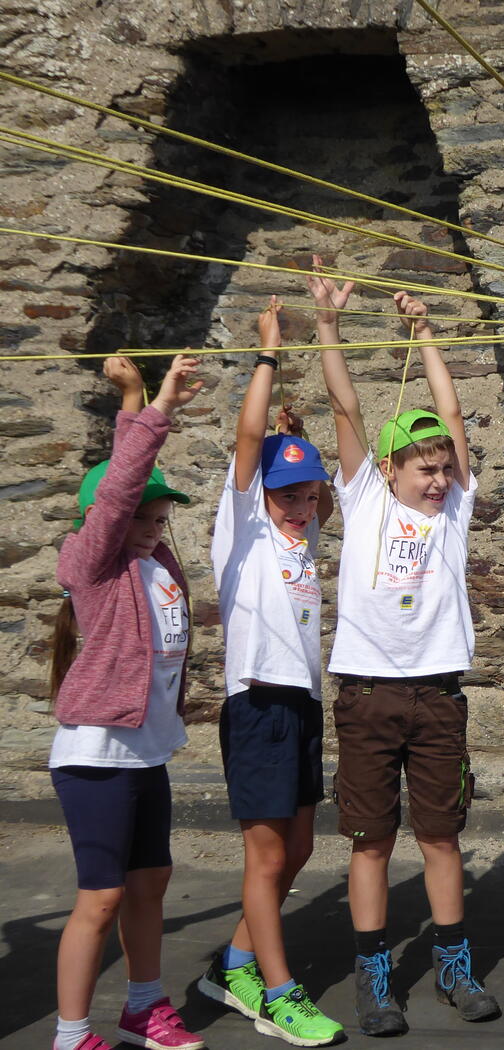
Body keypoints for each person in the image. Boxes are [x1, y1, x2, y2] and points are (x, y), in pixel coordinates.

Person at [312, 261, 498, 1035]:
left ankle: (454, 966)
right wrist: (328, 327)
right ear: (388, 469)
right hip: (366, 695)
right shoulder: (364, 498)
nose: (439, 478)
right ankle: (374, 976)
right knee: (371, 842)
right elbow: (346, 405)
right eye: (425, 468)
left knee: (442, 836)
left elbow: (451, 413)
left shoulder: (452, 515)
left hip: (436, 694)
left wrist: (426, 337)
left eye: (445, 467)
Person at [48, 355, 205, 1050]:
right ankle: (70, 1034)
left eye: (160, 518)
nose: (152, 526)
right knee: (102, 896)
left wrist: (137, 401)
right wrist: (151, 402)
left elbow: (129, 485)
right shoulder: (94, 567)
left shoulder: (156, 565)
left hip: (145, 752)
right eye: (142, 516)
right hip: (96, 752)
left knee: (151, 883)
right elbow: (117, 491)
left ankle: (145, 1007)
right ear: (101, 522)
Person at [197, 298, 343, 1045]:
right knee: (268, 854)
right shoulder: (244, 532)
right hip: (257, 704)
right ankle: (279, 993)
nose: (300, 505)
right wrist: (268, 352)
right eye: (287, 495)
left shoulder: (301, 534)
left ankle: (234, 963)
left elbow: (308, 477)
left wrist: (301, 442)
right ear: (258, 495)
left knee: (303, 847)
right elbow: (250, 440)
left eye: (307, 494)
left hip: (302, 705)